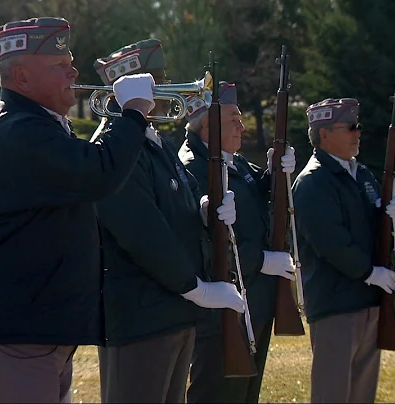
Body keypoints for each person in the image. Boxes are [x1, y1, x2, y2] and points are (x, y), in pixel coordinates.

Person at [0, 17, 157, 403]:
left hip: (36, 327)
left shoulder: (41, 125)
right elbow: (101, 173)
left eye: (71, 62)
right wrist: (133, 113)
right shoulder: (19, 129)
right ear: (22, 78)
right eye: (60, 66)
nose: (74, 71)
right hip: (11, 327)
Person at [91, 39, 245, 403]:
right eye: (154, 81)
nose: (166, 89)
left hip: (172, 312)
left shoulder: (151, 140)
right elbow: (143, 232)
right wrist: (197, 288)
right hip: (141, 317)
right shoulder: (116, 145)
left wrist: (206, 210)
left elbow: (177, 204)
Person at [178, 82, 298, 403]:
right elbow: (207, 246)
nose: (242, 126)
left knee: (245, 395)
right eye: (233, 119)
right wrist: (261, 260)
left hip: (252, 303)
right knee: (217, 393)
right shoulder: (193, 167)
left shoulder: (234, 162)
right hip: (221, 315)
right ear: (208, 125)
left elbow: (259, 189)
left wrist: (277, 170)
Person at [291, 98, 395, 403]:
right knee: (333, 393)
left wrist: (390, 214)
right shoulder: (313, 182)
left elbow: (372, 230)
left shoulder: (361, 174)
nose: (358, 133)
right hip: (336, 304)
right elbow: (330, 242)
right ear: (324, 134)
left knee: (361, 394)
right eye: (350, 127)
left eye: (359, 127)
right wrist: (369, 272)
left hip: (367, 301)